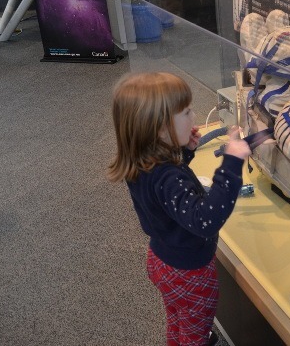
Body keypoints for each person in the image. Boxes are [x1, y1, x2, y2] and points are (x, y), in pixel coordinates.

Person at [107, 72, 251, 345]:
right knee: (195, 333)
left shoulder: (141, 161)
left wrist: (184, 152)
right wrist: (231, 164)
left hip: (161, 261)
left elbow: (163, 197)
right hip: (191, 273)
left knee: (178, 318)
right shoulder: (168, 177)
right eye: (186, 112)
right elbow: (205, 219)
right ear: (159, 128)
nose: (194, 117)